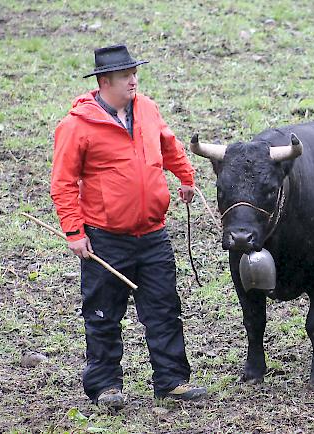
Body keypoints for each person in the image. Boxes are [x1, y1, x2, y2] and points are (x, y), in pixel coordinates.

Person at [50, 44, 206, 410]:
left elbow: (168, 144)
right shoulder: (76, 126)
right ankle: (105, 387)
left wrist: (184, 176)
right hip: (105, 238)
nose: (134, 81)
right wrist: (74, 232)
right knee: (103, 313)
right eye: (125, 76)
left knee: (164, 308)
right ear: (105, 82)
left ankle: (171, 382)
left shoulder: (147, 109)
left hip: (153, 234)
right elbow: (63, 182)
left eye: (134, 74)